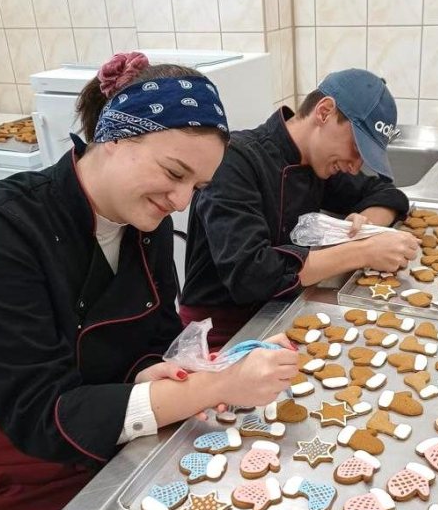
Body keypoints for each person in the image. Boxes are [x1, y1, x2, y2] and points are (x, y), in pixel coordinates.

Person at [0, 52, 298, 510]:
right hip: (12, 475)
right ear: (114, 136)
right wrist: (215, 387)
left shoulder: (144, 223)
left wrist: (177, 368)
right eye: (174, 173)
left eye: (196, 187)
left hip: (111, 455)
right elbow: (40, 412)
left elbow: (155, 335)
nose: (180, 202)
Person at [180, 68, 420, 348]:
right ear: (324, 112)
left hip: (284, 312)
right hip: (220, 334)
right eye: (356, 147)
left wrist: (365, 227)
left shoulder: (318, 163)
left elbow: (388, 194)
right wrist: (364, 251)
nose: (355, 167)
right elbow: (251, 275)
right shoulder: (234, 162)